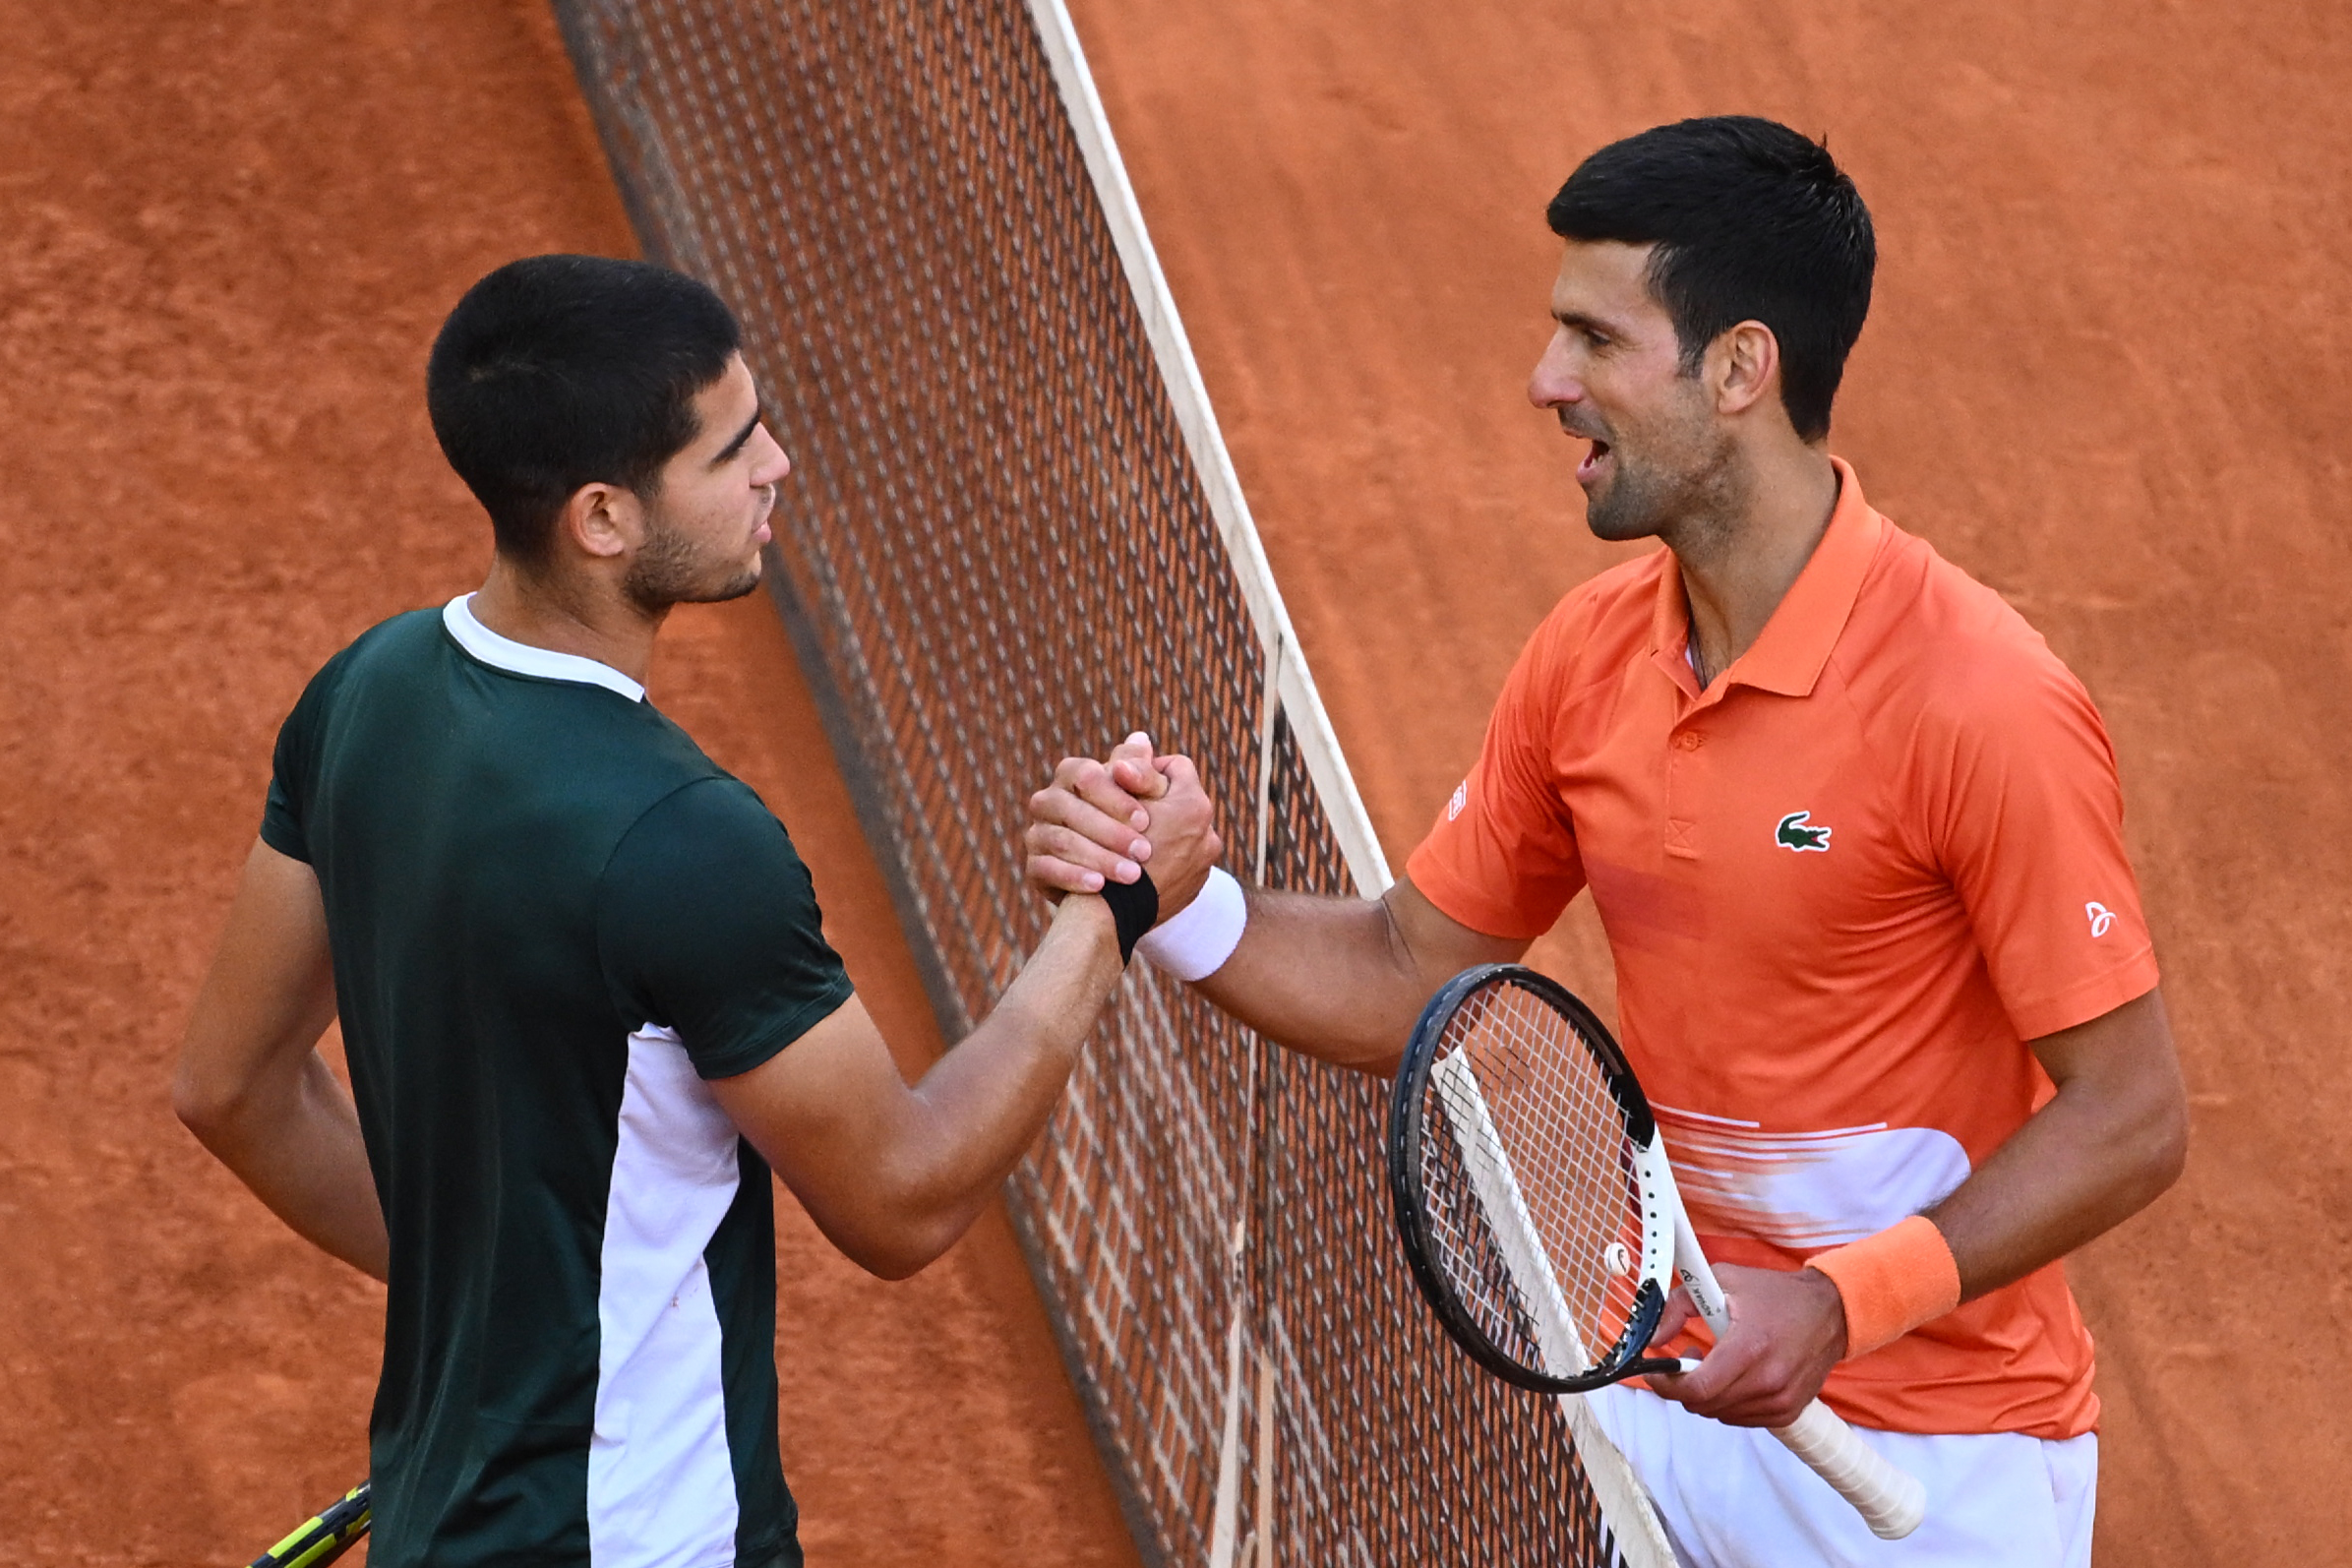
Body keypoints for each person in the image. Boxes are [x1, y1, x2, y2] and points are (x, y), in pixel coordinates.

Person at [1024, 117, 2187, 1567]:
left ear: (1740, 368)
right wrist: (1184, 903)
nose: (1545, 384)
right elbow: (1410, 966)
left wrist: (1838, 1302)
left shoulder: (1979, 700)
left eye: (1595, 339)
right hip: (1665, 1415)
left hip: (1933, 1473)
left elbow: (2132, 1113)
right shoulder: (1590, 657)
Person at [171, 254, 1214, 1568]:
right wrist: (1111, 913)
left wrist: (506, 1322)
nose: (776, 462)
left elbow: (230, 1085)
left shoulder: (364, 696)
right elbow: (899, 1197)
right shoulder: (686, 843)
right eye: (730, 451)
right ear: (603, 519)